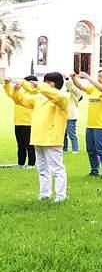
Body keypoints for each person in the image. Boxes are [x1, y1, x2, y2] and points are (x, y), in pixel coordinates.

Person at [12, 72, 68, 201]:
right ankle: (45, 194)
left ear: (51, 84)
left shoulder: (63, 97)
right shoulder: (39, 98)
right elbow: (20, 100)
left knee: (57, 169)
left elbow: (56, 96)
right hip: (38, 137)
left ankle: (60, 196)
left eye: (45, 82)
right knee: (42, 168)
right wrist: (15, 90)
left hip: (52, 139)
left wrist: (39, 86)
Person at [71, 69, 102, 179]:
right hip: (90, 124)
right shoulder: (93, 89)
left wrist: (88, 77)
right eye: (98, 76)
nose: (99, 78)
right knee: (91, 150)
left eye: (101, 76)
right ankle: (94, 170)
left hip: (101, 125)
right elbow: (81, 87)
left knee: (101, 149)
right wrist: (73, 78)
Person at [3, 75, 38, 169]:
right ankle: (21, 163)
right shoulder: (20, 92)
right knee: (20, 145)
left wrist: (23, 84)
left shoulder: (34, 94)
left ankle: (31, 163)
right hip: (18, 122)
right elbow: (10, 93)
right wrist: (7, 84)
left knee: (29, 145)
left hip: (29, 123)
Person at [63, 76, 82, 154]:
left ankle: (75, 149)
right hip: (62, 116)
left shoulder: (73, 92)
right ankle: (64, 148)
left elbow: (73, 89)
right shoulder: (62, 91)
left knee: (72, 134)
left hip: (71, 116)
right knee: (63, 135)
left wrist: (67, 79)